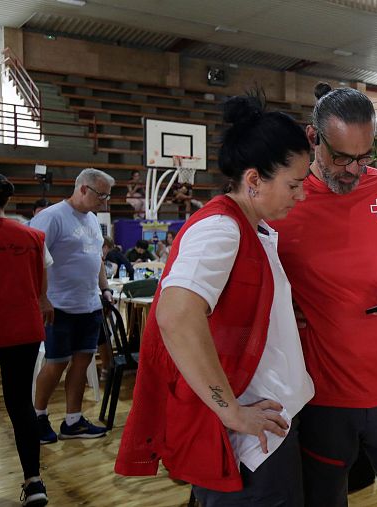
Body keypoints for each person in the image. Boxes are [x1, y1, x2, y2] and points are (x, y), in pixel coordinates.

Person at [116, 95, 315, 504]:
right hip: (250, 437)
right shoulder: (222, 229)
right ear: (255, 179)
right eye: (294, 185)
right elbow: (175, 316)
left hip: (266, 426)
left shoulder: (248, 227)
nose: (302, 195)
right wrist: (231, 412)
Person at [269, 82, 377, 506]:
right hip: (319, 396)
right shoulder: (283, 202)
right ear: (313, 139)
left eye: (366, 157)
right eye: (342, 157)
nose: (355, 170)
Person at [30, 168, 114, 443]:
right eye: (101, 195)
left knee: (83, 361)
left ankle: (73, 421)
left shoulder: (92, 220)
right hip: (59, 306)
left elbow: (97, 259)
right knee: (56, 363)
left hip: (89, 305)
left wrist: (105, 289)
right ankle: (38, 416)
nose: (105, 202)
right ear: (82, 189)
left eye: (107, 196)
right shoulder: (51, 218)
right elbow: (34, 261)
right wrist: (42, 299)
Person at [0, 174, 51, 506]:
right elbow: (42, 287)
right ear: (7, 200)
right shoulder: (33, 236)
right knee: (20, 404)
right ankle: (34, 481)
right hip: (24, 329)